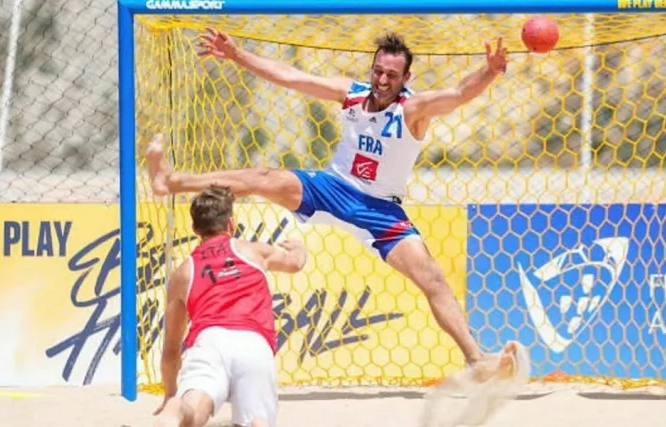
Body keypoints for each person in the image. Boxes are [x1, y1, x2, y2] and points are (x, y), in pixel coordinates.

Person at [146, 28, 519, 380]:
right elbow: (289, 76)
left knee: (433, 278)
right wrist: (236, 54)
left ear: (405, 78)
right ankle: (170, 182)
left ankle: (477, 360)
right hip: (333, 188)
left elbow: (457, 93)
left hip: (379, 209)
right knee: (262, 178)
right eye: (378, 71)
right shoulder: (352, 94)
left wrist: (489, 71)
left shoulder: (412, 109)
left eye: (392, 74)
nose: (383, 80)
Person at [152, 183, 309, 427]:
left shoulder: (182, 273)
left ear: (195, 228)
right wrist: (300, 249)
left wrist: (170, 393)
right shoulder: (252, 251)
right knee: (257, 420)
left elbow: (171, 349)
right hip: (253, 343)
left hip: (210, 342)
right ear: (231, 224)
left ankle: (178, 408)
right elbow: (294, 263)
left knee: (193, 410)